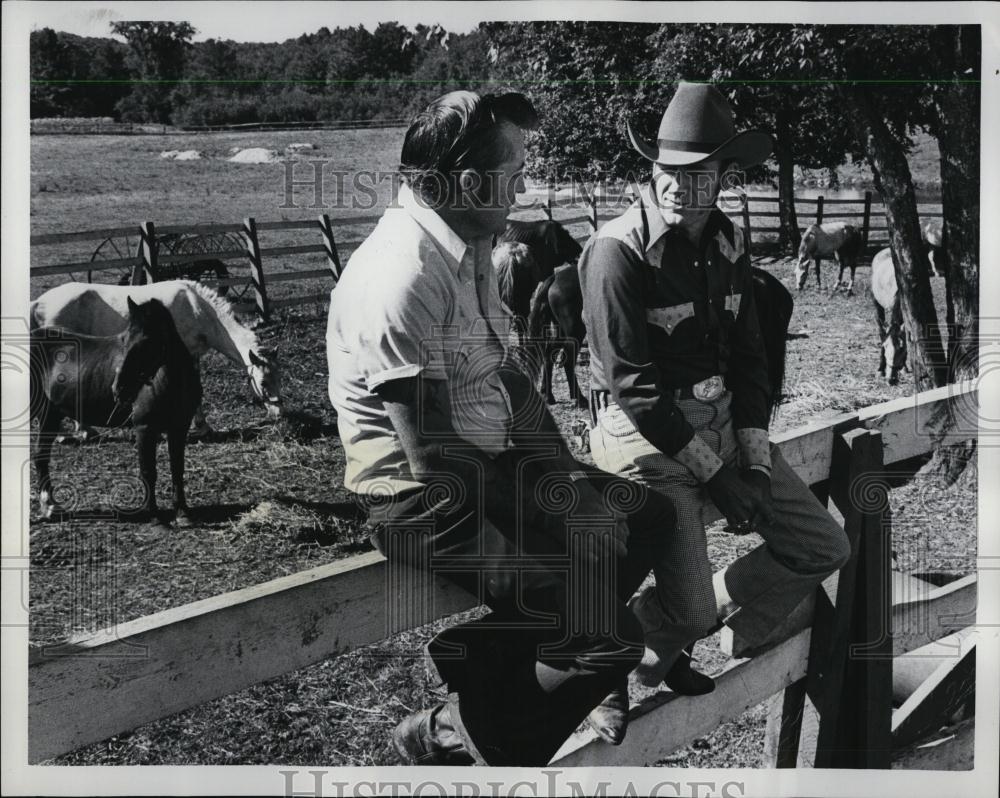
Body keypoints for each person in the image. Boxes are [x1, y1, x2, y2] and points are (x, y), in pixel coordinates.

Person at [326, 90, 678, 764]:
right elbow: (431, 459)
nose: (525, 186)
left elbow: (509, 379)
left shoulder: (468, 245)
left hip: (481, 466)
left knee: (648, 517)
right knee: (610, 637)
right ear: (465, 181)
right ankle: (456, 736)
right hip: (423, 501)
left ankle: (478, 661)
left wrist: (567, 477)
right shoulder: (401, 274)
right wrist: (568, 510)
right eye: (514, 171)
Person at [580, 83, 852, 711]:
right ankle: (604, 667)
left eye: (698, 170)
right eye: (666, 168)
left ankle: (701, 621)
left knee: (825, 547)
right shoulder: (615, 252)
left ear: (725, 174)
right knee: (690, 603)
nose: (677, 183)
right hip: (644, 439)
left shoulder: (729, 245)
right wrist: (720, 478)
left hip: (725, 426)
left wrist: (753, 461)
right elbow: (632, 387)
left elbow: (752, 358)